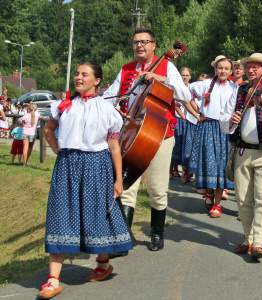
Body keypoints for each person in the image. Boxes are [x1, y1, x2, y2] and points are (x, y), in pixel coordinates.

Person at [39, 63, 133, 299]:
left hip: (96, 165)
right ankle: (52, 279)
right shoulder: (63, 106)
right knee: (62, 214)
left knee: (94, 216)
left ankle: (102, 264)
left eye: (84, 74)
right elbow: (48, 129)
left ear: (97, 80)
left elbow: (113, 146)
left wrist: (118, 180)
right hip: (67, 165)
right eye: (77, 74)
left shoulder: (106, 109)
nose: (78, 78)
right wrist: (59, 150)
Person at [103, 27, 193, 252]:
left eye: (145, 41)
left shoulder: (167, 66)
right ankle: (122, 239)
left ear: (154, 45)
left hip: (159, 134)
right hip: (130, 134)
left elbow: (185, 95)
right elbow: (109, 98)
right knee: (125, 187)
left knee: (157, 187)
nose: (140, 45)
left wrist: (159, 78)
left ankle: (156, 233)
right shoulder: (125, 70)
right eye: (136, 42)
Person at [220, 52, 262, 260]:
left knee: (261, 198)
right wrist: (231, 120)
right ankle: (247, 239)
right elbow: (224, 120)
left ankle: (258, 242)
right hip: (242, 150)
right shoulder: (239, 90)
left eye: (257, 67)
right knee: (242, 199)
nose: (251, 69)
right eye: (249, 66)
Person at [188, 55, 236, 218]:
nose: (222, 71)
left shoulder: (234, 88)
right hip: (207, 127)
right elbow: (185, 94)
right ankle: (209, 192)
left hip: (225, 129)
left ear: (231, 71)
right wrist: (196, 113)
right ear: (215, 69)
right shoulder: (205, 84)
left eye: (226, 68)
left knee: (222, 165)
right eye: (220, 68)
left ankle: (217, 203)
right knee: (209, 163)